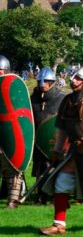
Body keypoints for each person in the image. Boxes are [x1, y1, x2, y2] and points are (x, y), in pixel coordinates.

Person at [39, 67, 83, 235]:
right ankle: (59, 224)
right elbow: (62, 128)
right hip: (73, 150)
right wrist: (58, 149)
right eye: (73, 78)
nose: (73, 80)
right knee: (61, 183)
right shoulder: (67, 100)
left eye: (77, 78)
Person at [30, 67, 66, 205]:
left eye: (46, 81)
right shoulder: (33, 99)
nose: (42, 84)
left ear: (52, 82)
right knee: (39, 168)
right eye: (40, 81)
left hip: (54, 139)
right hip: (38, 140)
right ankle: (40, 195)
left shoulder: (61, 98)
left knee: (54, 168)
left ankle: (52, 196)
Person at [0, 54, 26, 209]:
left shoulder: (12, 87)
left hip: (9, 131)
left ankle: (13, 200)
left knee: (12, 166)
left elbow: (18, 109)